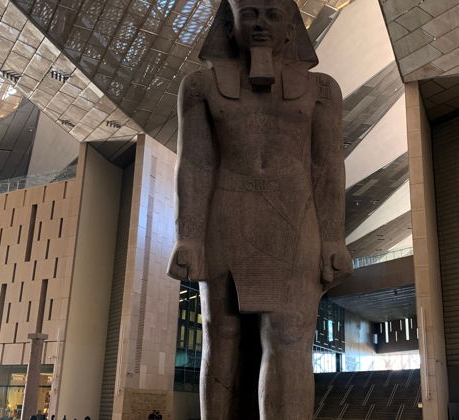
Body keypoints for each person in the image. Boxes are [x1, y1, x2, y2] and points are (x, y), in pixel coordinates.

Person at [167, 0, 352, 418]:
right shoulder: (200, 86)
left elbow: (326, 167)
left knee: (290, 335)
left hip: (295, 218)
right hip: (225, 217)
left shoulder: (322, 89)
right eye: (249, 13)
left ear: (291, 28)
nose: (261, 24)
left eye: (272, 14)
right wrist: (188, 236)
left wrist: (333, 238)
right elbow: (196, 163)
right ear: (229, 25)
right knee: (222, 334)